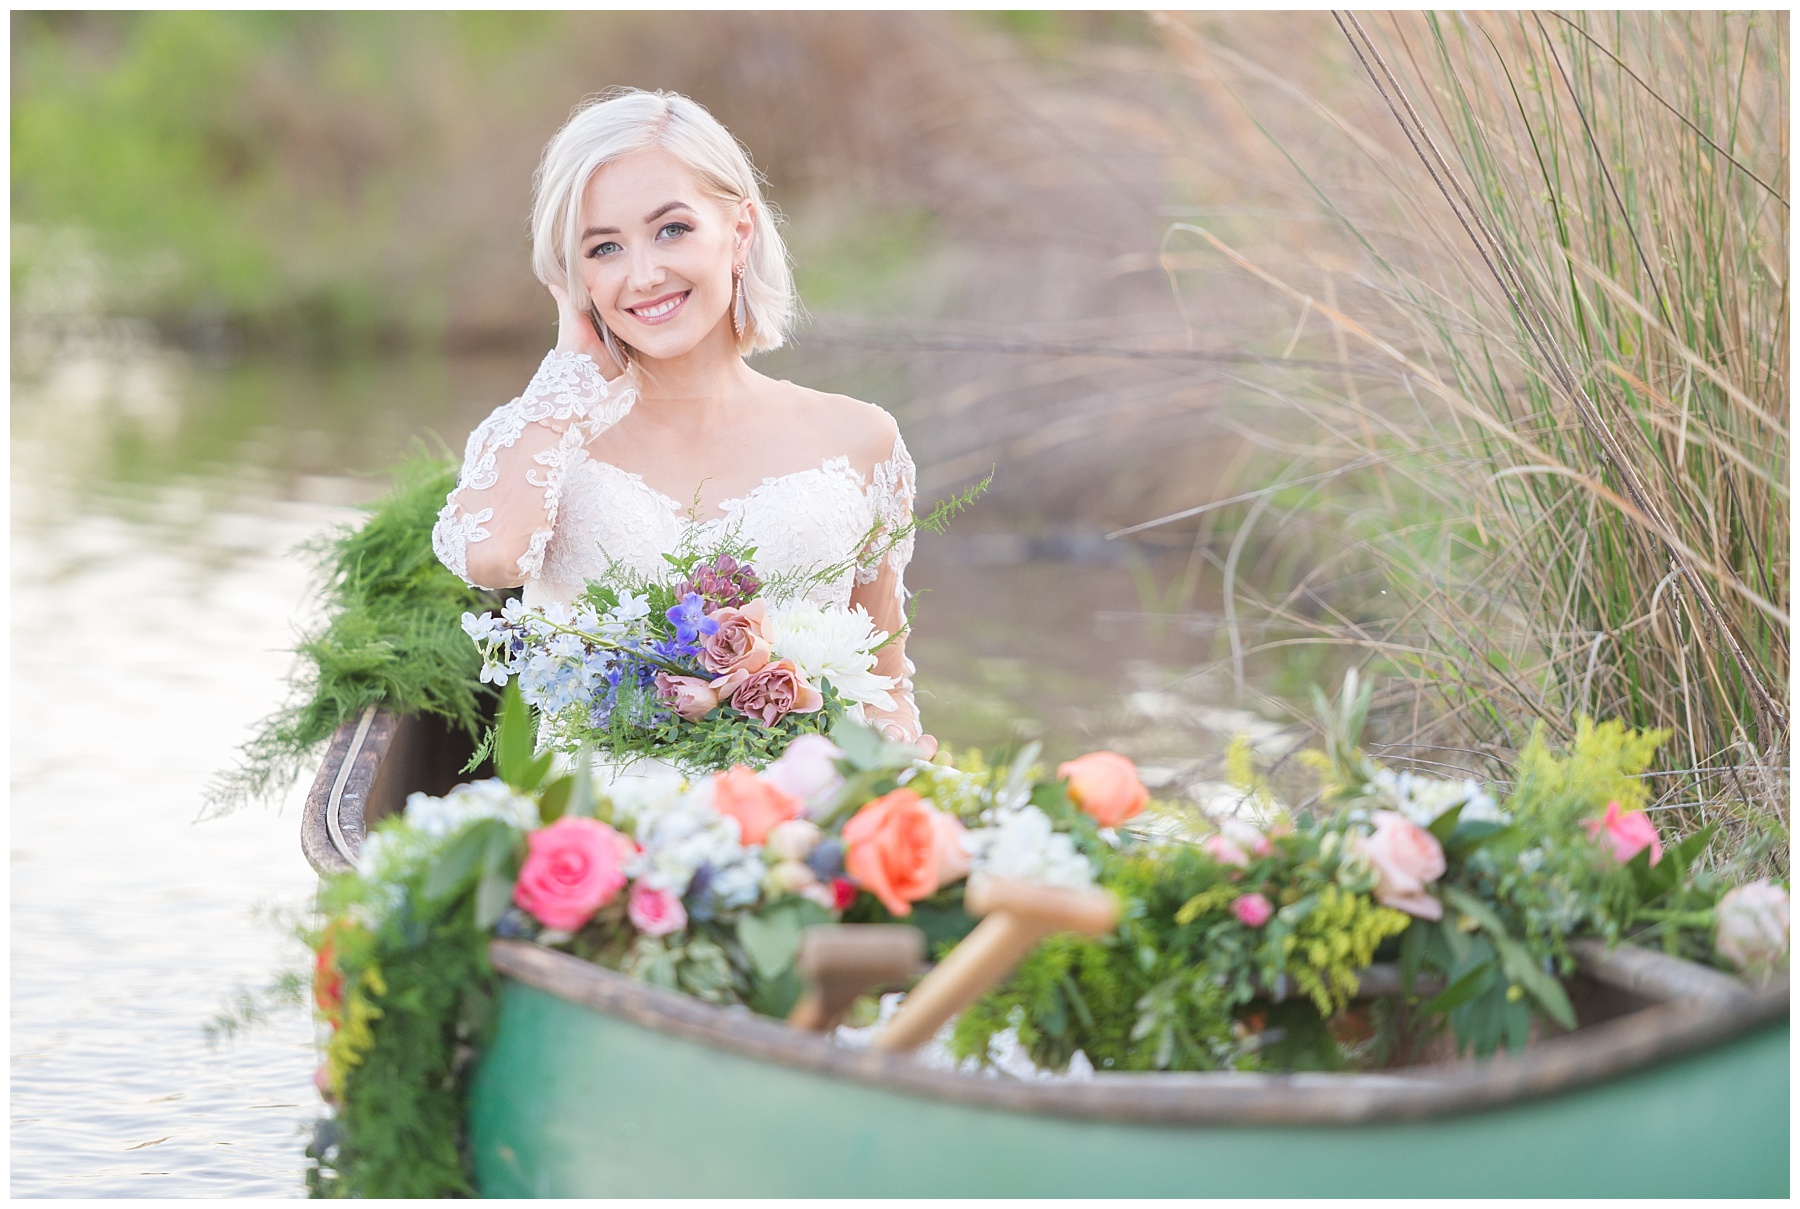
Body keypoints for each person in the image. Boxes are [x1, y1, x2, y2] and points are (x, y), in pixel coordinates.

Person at [431, 88, 933, 754]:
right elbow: (494, 560)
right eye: (604, 249)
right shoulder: (534, 436)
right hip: (597, 826)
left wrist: (884, 785)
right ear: (571, 276)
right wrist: (567, 374)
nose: (643, 275)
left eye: (672, 229)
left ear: (739, 234)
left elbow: (885, 687)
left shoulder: (860, 440)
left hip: (795, 831)